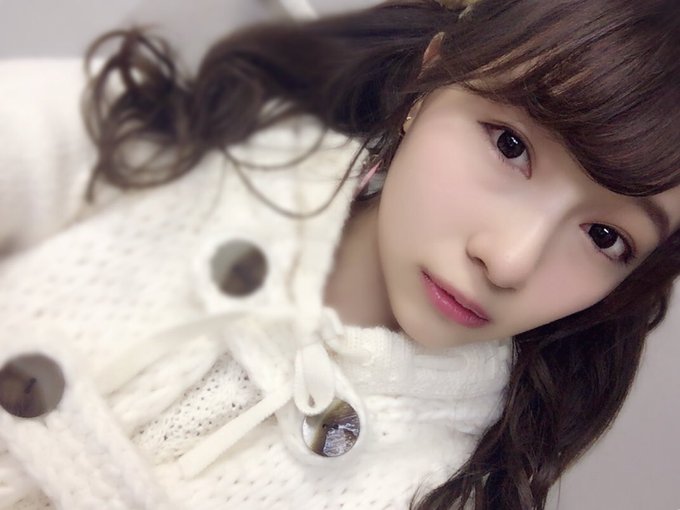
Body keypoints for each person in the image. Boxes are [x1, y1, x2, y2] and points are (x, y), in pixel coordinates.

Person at [0, 0, 678, 508]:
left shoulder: (443, 488)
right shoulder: (183, 142)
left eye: (605, 237)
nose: (509, 261)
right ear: (430, 79)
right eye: (510, 145)